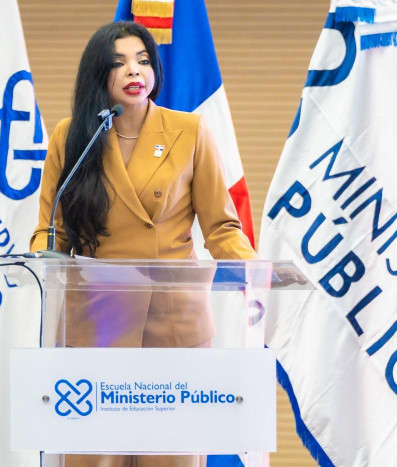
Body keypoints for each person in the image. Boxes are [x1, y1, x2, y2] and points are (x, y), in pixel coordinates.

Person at [29, 21, 256, 467]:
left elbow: (221, 227)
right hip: (96, 324)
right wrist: (39, 261)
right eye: (119, 63)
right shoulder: (72, 136)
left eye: (143, 60)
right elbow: (51, 231)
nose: (135, 70)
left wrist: (255, 272)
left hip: (173, 324)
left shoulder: (190, 131)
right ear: (98, 74)